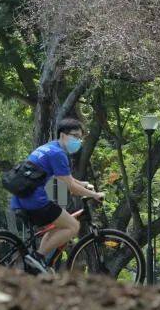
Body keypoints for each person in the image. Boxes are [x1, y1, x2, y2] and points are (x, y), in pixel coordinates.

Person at [9, 117, 103, 274]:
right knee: (73, 226)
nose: (78, 141)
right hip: (35, 202)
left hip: (21, 198)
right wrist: (94, 194)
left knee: (59, 224)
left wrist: (84, 184)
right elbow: (71, 188)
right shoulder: (59, 154)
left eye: (80, 138)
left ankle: (39, 263)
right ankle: (38, 257)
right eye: (75, 136)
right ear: (63, 135)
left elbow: (67, 179)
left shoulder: (49, 147)